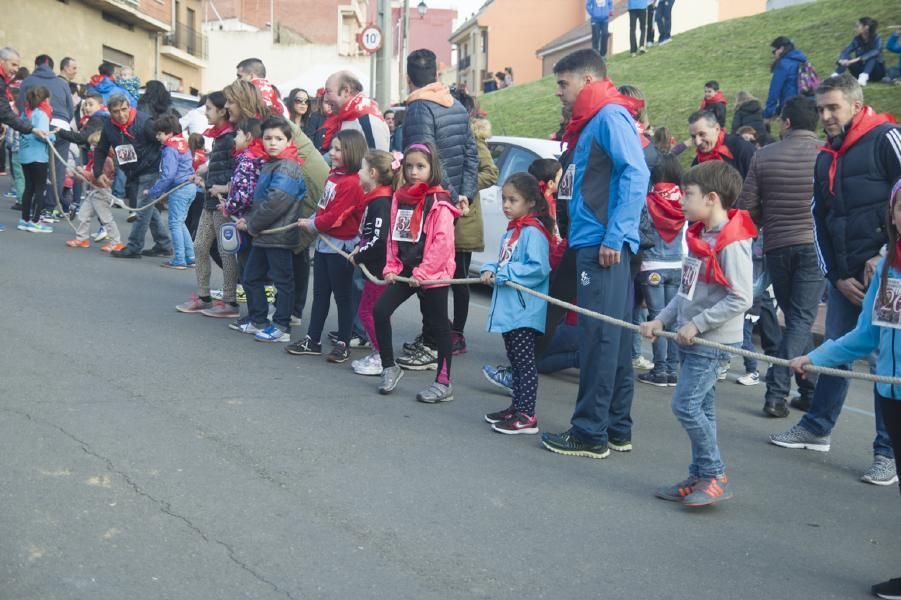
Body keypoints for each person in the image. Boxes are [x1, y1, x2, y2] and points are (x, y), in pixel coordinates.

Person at [770, 74, 901, 486]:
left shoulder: (886, 138)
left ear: (856, 106)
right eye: (821, 108)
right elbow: (819, 218)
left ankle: (887, 451)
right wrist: (836, 274)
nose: (825, 116)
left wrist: (884, 256)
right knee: (836, 349)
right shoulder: (826, 155)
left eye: (833, 108)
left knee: (885, 362)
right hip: (847, 278)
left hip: (888, 272)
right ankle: (817, 425)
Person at [540, 49, 650, 459]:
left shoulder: (607, 116)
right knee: (613, 340)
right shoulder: (599, 118)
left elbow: (636, 172)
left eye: (562, 83)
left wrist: (614, 236)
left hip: (601, 244)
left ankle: (589, 432)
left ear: (587, 81)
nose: (558, 93)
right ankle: (616, 428)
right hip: (598, 241)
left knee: (599, 339)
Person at [640, 160, 755, 506]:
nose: (681, 201)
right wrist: (661, 319)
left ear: (712, 198)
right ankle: (699, 475)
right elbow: (685, 292)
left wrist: (697, 324)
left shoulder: (731, 241)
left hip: (712, 341)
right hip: (691, 336)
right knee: (702, 409)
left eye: (688, 194)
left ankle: (715, 473)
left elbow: (742, 296)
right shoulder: (700, 235)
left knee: (686, 406)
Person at [737, 95, 823, 416]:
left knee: (797, 319)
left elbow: (748, 207)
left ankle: (809, 389)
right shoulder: (826, 154)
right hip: (815, 246)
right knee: (801, 319)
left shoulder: (764, 156)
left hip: (777, 244)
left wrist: (768, 221)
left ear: (786, 122)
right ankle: (776, 392)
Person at [399, 49, 479, 367]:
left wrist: (446, 195)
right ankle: (434, 338)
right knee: (442, 273)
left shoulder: (419, 107)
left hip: (431, 204)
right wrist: (465, 194)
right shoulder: (457, 105)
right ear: (437, 74)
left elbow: (424, 161)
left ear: (408, 78)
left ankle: (432, 343)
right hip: (452, 203)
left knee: (427, 274)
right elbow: (472, 153)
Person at [373, 142, 460, 402]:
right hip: (406, 270)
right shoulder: (400, 198)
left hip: (433, 274)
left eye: (420, 166)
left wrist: (423, 273)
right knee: (380, 310)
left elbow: (442, 243)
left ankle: (443, 382)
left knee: (439, 325)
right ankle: (389, 366)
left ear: (432, 168)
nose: (413, 172)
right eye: (409, 166)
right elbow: (393, 238)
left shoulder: (439, 202)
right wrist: (391, 266)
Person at [480, 172, 553, 434]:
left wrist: (504, 273)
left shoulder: (533, 232)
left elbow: (538, 268)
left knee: (524, 364)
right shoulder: (513, 230)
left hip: (524, 310)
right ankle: (516, 406)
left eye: (513, 200)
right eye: (504, 199)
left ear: (531, 202)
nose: (506, 205)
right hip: (510, 309)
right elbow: (502, 260)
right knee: (515, 361)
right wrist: (488, 269)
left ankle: (527, 415)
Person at [287, 129, 366, 362]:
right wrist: (313, 220)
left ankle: (343, 342)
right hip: (325, 245)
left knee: (343, 297)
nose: (331, 153)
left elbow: (335, 217)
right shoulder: (334, 176)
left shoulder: (352, 182)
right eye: (332, 148)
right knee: (320, 294)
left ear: (351, 152)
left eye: (338, 149)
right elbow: (325, 208)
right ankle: (313, 339)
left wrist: (312, 225)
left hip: (340, 246)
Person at [231, 116, 306, 342]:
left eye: (278, 138)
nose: (272, 143)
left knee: (282, 282)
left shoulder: (288, 166)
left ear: (289, 140)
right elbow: (264, 200)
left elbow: (276, 202)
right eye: (268, 138)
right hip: (264, 233)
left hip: (278, 235)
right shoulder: (271, 162)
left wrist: (251, 224)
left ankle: (282, 326)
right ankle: (259, 319)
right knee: (252, 277)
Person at [177, 92, 240, 316]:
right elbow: (220, 168)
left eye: (210, 108)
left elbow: (238, 172)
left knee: (226, 251)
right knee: (199, 246)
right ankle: (204, 297)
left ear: (223, 111)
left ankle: (230, 302)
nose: (206, 112)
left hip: (224, 204)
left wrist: (224, 189)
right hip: (210, 200)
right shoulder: (222, 137)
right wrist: (204, 177)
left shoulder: (231, 138)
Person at [93, 94, 172, 259]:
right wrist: (98, 172)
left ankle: (134, 246)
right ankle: (163, 244)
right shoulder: (108, 126)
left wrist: (169, 172)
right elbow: (101, 149)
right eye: (116, 112)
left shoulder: (145, 122)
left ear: (129, 107)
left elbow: (165, 142)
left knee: (141, 210)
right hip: (133, 171)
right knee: (147, 208)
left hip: (151, 169)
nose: (121, 115)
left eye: (124, 109)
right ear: (110, 112)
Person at [350, 150, 401, 376]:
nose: (358, 172)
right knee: (371, 311)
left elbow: (379, 240)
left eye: (361, 168)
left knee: (369, 312)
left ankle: (382, 356)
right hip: (375, 266)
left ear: (371, 173)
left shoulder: (381, 202)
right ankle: (378, 353)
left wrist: (360, 255)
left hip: (379, 269)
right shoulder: (376, 199)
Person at [636, 153, 685, 387]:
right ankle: (673, 370)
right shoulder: (684, 200)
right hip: (677, 264)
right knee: (673, 318)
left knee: (656, 317)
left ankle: (660, 369)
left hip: (652, 265)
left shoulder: (648, 199)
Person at [18, 55, 75, 220]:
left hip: (28, 141)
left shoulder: (28, 81)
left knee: (31, 183)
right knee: (56, 170)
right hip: (60, 126)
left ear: (36, 65)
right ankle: (49, 207)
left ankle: (29, 214)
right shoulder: (61, 83)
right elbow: (70, 110)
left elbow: (20, 105)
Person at [147, 114, 196, 269]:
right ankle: (190, 256)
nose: (157, 137)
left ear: (169, 133)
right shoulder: (183, 144)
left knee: (174, 223)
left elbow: (168, 175)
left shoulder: (170, 148)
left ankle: (179, 259)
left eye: (160, 133)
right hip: (190, 187)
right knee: (181, 222)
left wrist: (154, 191)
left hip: (179, 188)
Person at [64, 130, 123, 251]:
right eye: (91, 145)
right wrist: (74, 174)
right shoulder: (94, 160)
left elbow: (100, 178)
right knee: (83, 215)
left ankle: (116, 242)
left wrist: (83, 172)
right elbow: (88, 177)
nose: (91, 147)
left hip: (102, 193)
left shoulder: (107, 160)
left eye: (95, 145)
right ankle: (82, 238)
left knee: (106, 218)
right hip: (93, 192)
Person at [16, 85, 55, 233]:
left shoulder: (25, 113)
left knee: (29, 188)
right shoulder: (41, 114)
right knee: (40, 188)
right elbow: (44, 135)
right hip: (38, 156)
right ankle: (35, 221)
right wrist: (53, 135)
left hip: (25, 155)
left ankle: (24, 219)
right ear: (45, 99)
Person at [320, 71, 389, 152]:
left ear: (346, 91)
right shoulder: (347, 115)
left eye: (328, 92)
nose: (326, 98)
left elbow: (378, 160)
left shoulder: (367, 119)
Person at [688, 110, 755, 179]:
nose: (698, 142)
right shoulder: (696, 165)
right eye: (693, 137)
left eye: (702, 134)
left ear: (717, 129)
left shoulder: (742, 148)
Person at [764, 37, 810, 123]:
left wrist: (768, 113)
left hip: (790, 107)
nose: (773, 55)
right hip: (806, 105)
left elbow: (774, 91)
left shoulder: (783, 64)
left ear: (781, 48)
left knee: (788, 134)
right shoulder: (802, 60)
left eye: (774, 51)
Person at [834, 17, 886, 86]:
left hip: (876, 74)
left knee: (872, 57)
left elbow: (875, 52)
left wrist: (854, 60)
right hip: (859, 71)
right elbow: (847, 50)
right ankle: (835, 76)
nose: (855, 29)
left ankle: (864, 77)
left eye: (857, 26)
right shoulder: (857, 39)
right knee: (846, 57)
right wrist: (841, 59)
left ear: (866, 27)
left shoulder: (877, 38)